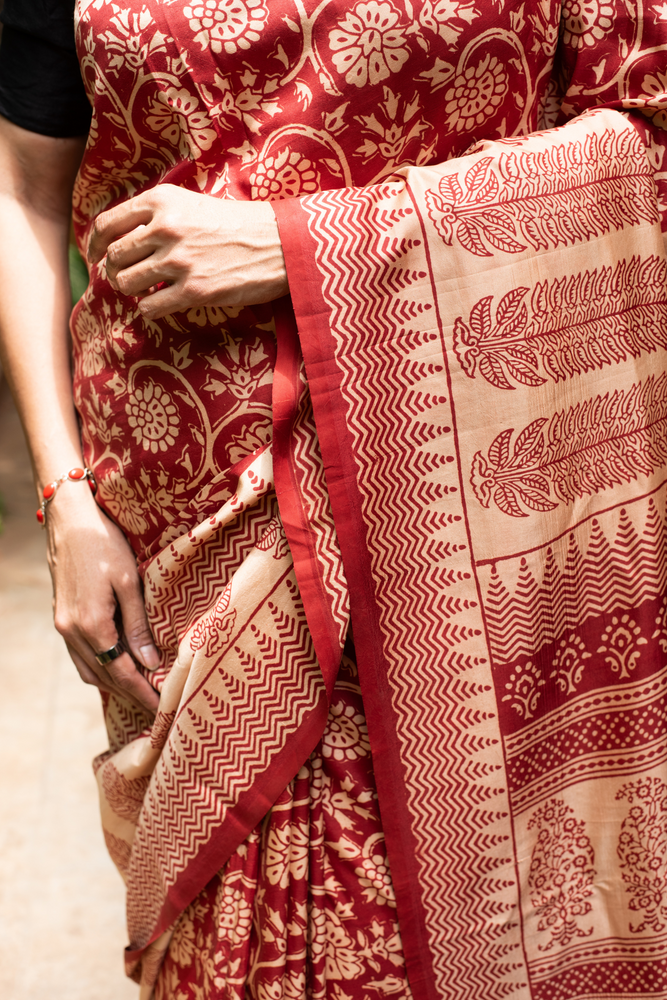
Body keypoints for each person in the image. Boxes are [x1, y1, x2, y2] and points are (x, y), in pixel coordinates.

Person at [1, 1, 667, 998]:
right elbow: (22, 186)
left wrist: (302, 245)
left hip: (475, 518)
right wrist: (66, 499)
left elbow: (645, 148)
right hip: (190, 517)